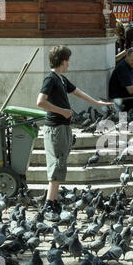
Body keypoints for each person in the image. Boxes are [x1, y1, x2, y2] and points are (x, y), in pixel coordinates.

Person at [37, 45, 114, 214]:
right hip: (55, 128)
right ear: (64, 61)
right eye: (68, 60)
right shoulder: (50, 79)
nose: (69, 64)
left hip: (63, 127)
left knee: (60, 164)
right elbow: (40, 102)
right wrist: (62, 111)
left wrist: (97, 103)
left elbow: (78, 92)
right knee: (56, 165)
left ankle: (54, 201)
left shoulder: (61, 79)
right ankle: (49, 204)